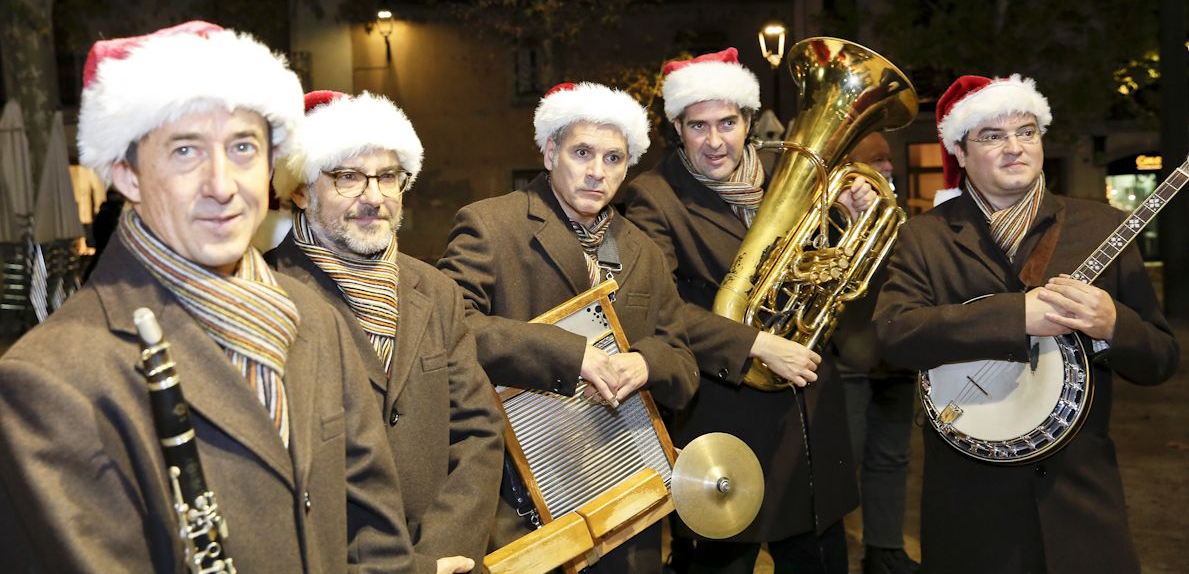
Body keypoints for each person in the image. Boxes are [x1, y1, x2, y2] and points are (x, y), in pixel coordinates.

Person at [0, 21, 452, 573]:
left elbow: (374, 539)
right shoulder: (48, 381)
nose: (222, 183)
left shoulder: (313, 318)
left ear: (269, 166)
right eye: (186, 150)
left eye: (242, 147)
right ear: (126, 174)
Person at [873, 74, 1180, 574]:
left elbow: (1161, 360)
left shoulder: (1103, 226)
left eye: (1027, 131)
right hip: (971, 504)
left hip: (1080, 497)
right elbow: (893, 335)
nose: (1015, 147)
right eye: (992, 136)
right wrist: (1017, 316)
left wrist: (1113, 324)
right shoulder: (924, 238)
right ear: (961, 153)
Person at [438, 81, 700, 573]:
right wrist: (569, 353)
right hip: (521, 496)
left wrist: (646, 363)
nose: (597, 172)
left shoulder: (644, 249)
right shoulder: (489, 226)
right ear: (550, 150)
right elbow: (452, 331)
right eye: (583, 152)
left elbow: (682, 364)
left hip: (626, 494)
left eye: (614, 159)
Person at [624, 48, 861, 574]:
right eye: (698, 125)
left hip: (808, 413)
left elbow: (838, 275)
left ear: (749, 121)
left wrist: (854, 218)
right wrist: (753, 343)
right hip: (724, 414)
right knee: (720, 562)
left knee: (818, 559)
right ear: (677, 128)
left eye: (727, 122)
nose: (714, 141)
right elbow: (657, 311)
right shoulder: (654, 197)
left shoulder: (793, 172)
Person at [268, 89, 504, 568]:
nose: (373, 198)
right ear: (300, 189)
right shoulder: (267, 295)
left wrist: (442, 551)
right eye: (348, 177)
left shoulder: (436, 290)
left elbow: (478, 431)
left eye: (388, 177)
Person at [834, 132, 920, 574]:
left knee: (893, 458)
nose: (888, 167)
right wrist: (850, 221)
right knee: (843, 461)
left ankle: (885, 548)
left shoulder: (898, 217)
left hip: (897, 359)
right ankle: (828, 551)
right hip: (850, 358)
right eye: (878, 160)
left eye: (889, 159)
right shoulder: (832, 216)